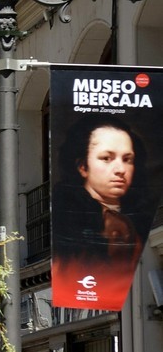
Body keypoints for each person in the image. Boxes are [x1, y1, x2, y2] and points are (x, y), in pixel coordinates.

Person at [51, 118, 152, 308]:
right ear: (82, 166)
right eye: (106, 158)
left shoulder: (139, 219)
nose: (120, 170)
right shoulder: (70, 221)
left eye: (127, 159)